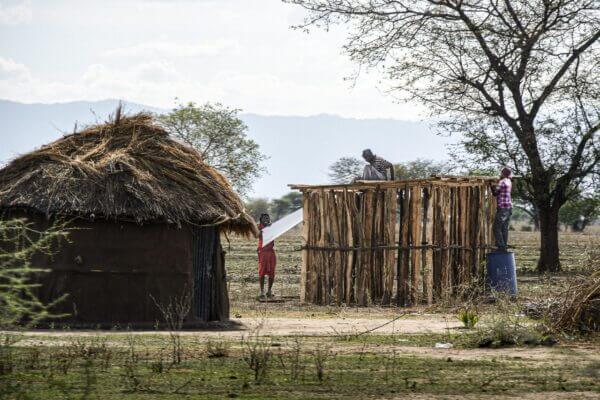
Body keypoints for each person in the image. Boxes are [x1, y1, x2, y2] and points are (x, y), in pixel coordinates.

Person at [491, 167, 513, 251]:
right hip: (509, 208)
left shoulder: (502, 182)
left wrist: (491, 186)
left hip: (503, 209)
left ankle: (501, 245)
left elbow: (495, 193)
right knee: (504, 228)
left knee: (496, 228)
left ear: (503, 174)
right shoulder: (509, 181)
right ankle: (504, 245)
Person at [257, 213, 276, 299]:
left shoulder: (272, 227)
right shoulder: (258, 227)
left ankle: (269, 291)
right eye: (264, 218)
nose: (266, 220)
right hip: (263, 252)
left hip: (271, 252)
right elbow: (258, 235)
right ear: (261, 219)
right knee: (262, 272)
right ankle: (261, 291)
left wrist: (271, 227)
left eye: (267, 218)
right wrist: (267, 228)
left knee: (272, 272)